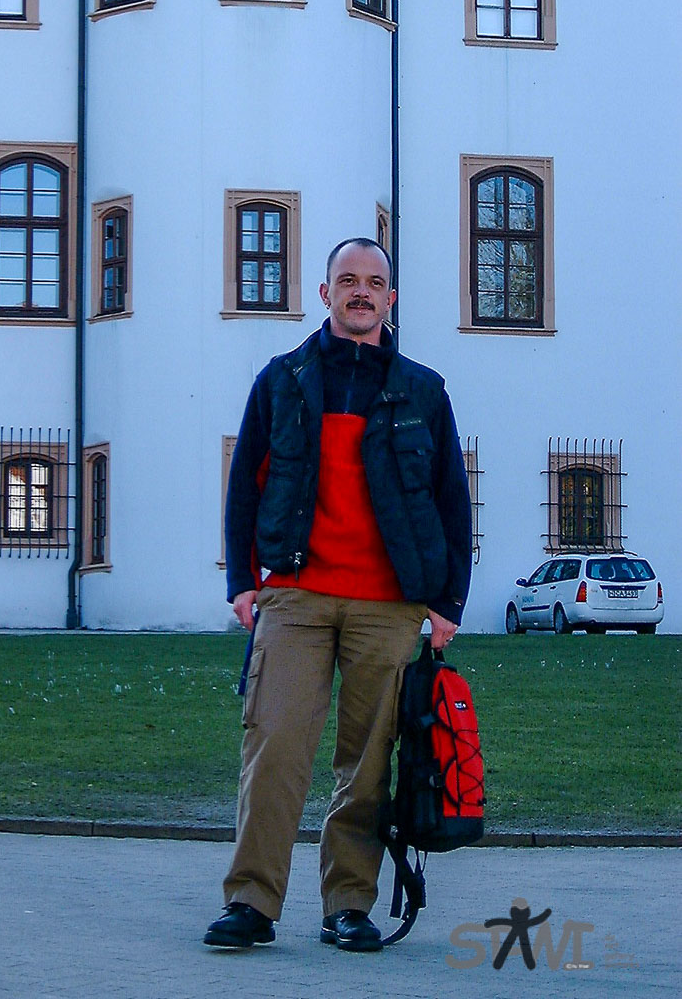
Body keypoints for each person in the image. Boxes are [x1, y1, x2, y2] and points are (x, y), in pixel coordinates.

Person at [203, 238, 473, 952]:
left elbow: (451, 501)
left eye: (374, 282)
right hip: (294, 594)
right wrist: (242, 581)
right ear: (324, 294)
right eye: (347, 280)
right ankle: (251, 902)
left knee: (369, 761)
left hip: (389, 603)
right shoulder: (282, 380)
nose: (361, 292)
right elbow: (244, 484)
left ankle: (348, 905)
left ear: (390, 298)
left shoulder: (423, 390)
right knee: (273, 747)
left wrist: (447, 604)